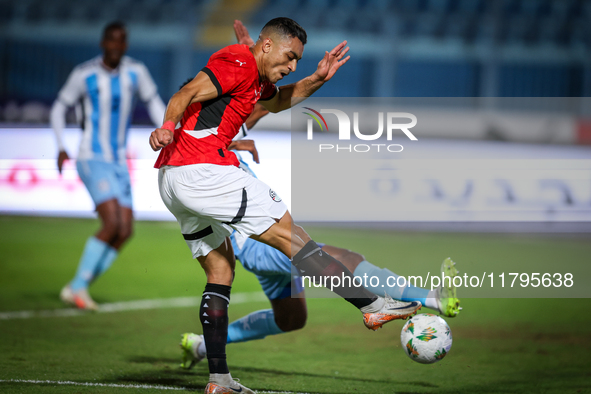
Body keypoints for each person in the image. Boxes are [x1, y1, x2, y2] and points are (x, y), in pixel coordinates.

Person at [149, 17, 421, 394]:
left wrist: (317, 79)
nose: (293, 66)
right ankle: (371, 305)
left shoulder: (257, 77)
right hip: (203, 168)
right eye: (289, 57)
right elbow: (186, 94)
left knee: (220, 271)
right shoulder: (239, 61)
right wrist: (166, 124)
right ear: (266, 46)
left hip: (173, 180)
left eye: (297, 61)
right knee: (292, 236)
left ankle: (219, 380)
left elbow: (277, 102)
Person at [178, 150, 462, 370]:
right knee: (346, 259)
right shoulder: (201, 149)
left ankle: (200, 346)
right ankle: (432, 298)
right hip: (258, 243)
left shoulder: (226, 128)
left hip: (262, 241)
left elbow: (260, 107)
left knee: (291, 318)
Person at [50, 21, 166, 310]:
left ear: (125, 45)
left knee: (125, 230)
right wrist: (61, 145)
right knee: (112, 223)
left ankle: (78, 285)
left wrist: (169, 129)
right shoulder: (84, 74)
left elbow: (154, 103)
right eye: (111, 41)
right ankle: (78, 287)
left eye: (121, 41)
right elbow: (58, 108)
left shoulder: (135, 72)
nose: (116, 46)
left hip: (118, 162)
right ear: (103, 43)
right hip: (91, 157)